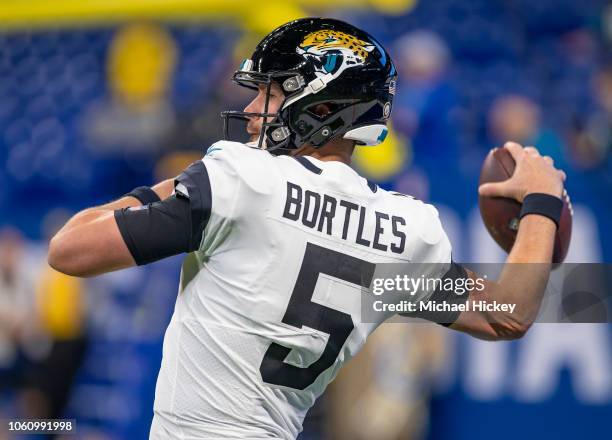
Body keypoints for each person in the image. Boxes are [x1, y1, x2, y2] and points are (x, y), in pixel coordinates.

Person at [48, 18, 567, 440]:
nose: (253, 111)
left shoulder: (242, 180)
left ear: (320, 108)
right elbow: (509, 316)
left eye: (270, 94)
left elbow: (69, 250)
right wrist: (541, 204)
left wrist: (167, 187)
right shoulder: (408, 230)